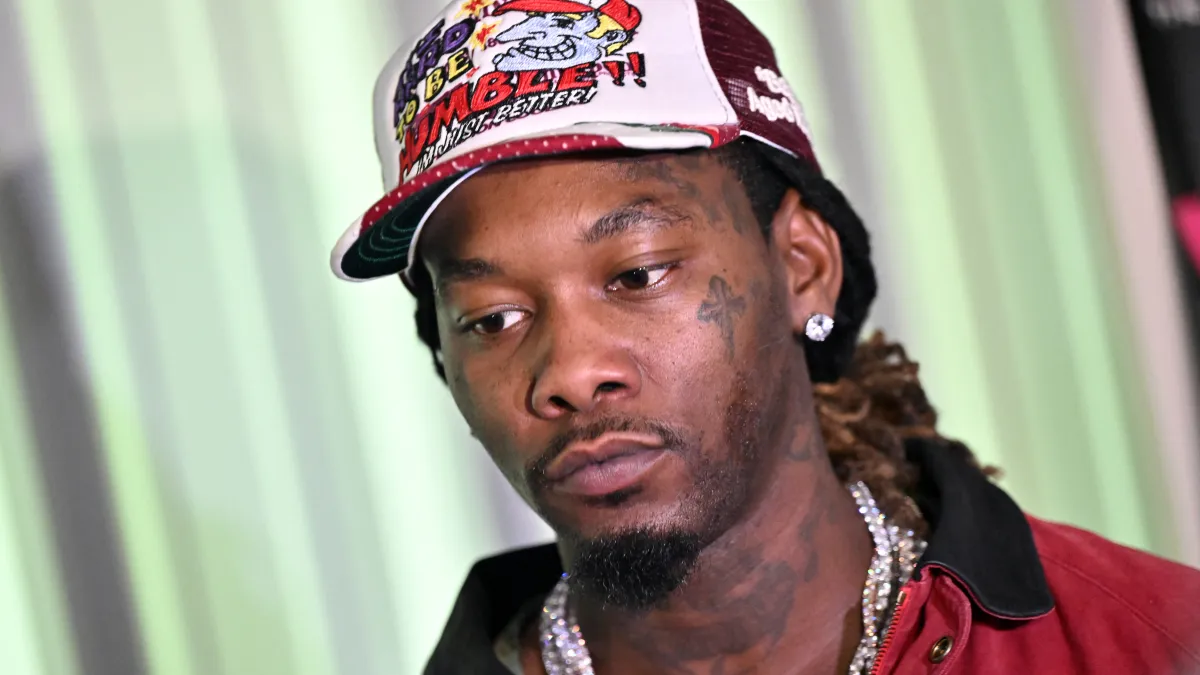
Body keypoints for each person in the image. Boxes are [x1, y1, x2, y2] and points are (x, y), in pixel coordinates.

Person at [330, 0, 1200, 672]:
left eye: (637, 274)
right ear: (445, 362)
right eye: (493, 318)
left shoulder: (1153, 642)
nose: (572, 371)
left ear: (802, 265)